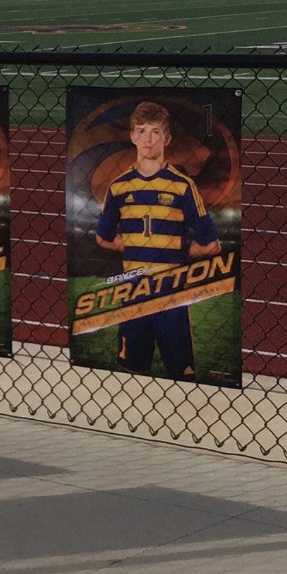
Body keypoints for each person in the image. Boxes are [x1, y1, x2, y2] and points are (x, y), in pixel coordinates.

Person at [93, 101, 222, 380]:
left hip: (168, 291)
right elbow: (102, 237)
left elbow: (212, 245)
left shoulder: (184, 186)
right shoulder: (118, 187)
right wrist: (126, 245)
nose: (148, 139)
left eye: (156, 132)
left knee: (181, 375)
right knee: (131, 371)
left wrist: (176, 248)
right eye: (142, 131)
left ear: (168, 138)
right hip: (137, 290)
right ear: (132, 136)